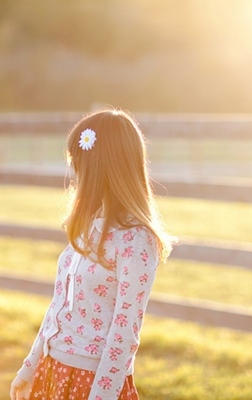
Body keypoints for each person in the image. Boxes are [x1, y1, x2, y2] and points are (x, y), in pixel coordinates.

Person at [10, 108, 175, 400]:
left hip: (93, 383)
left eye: (78, 164)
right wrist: (29, 368)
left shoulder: (136, 240)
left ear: (100, 168)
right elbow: (58, 306)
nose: (74, 174)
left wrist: (100, 396)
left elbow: (124, 333)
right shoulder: (87, 227)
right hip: (53, 369)